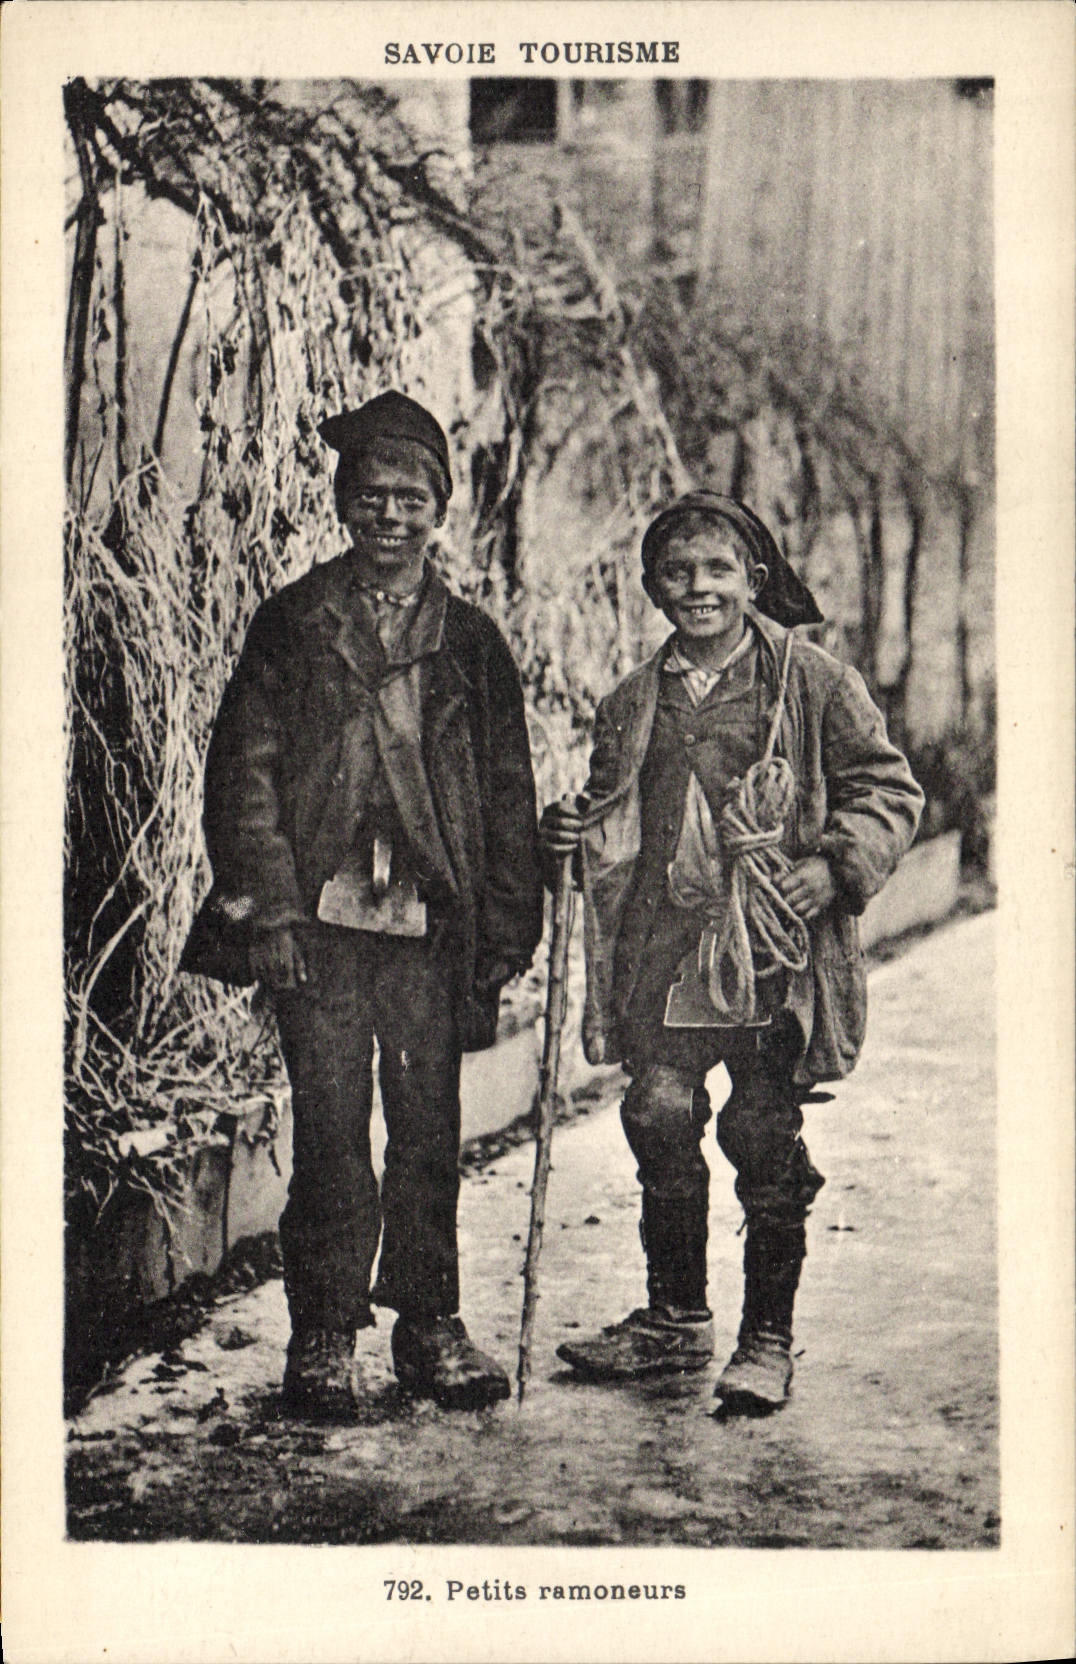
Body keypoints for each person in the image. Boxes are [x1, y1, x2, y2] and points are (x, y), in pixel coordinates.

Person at [183, 391, 543, 1418]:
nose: (389, 512)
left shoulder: (470, 644)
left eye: (411, 495)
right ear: (343, 503)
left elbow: (507, 794)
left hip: (429, 930)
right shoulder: (295, 622)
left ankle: (429, 1324)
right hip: (322, 931)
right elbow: (243, 773)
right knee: (331, 1125)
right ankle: (326, 1331)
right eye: (371, 493)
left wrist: (505, 930)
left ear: (440, 510)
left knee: (428, 1130)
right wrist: (275, 916)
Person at [539, 492, 923, 1414]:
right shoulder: (633, 700)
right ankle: (674, 1317)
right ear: (653, 586)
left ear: (754, 581)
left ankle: (766, 1338)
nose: (697, 588)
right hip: (664, 951)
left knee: (759, 1131)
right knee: (659, 1111)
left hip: (769, 955)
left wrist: (833, 871)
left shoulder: (813, 681)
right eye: (677, 572)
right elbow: (609, 812)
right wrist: (566, 831)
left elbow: (888, 789)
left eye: (717, 571)